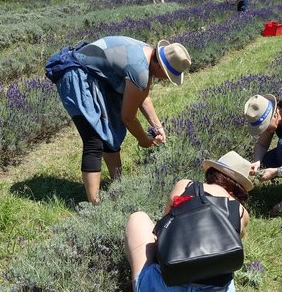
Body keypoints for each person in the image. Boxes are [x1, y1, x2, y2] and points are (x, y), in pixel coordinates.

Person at [125, 151, 252, 292]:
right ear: (241, 188)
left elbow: (163, 230)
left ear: (213, 172)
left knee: (138, 219)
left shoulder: (186, 186)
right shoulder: (242, 213)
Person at [51, 36, 191, 204]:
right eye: (167, 75)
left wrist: (157, 126)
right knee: (94, 139)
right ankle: (95, 205)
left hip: (97, 78)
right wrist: (144, 140)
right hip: (76, 74)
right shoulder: (139, 69)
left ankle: (118, 186)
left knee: (111, 132)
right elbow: (128, 118)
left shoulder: (147, 53)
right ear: (160, 65)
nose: (165, 79)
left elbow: (143, 96)